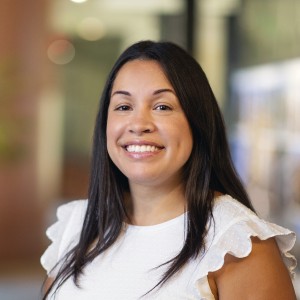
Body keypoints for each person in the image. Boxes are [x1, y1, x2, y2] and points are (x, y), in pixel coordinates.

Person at [41, 40, 297, 299]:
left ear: (197, 122)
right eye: (123, 107)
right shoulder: (77, 225)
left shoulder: (237, 242)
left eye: (162, 107)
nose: (139, 124)